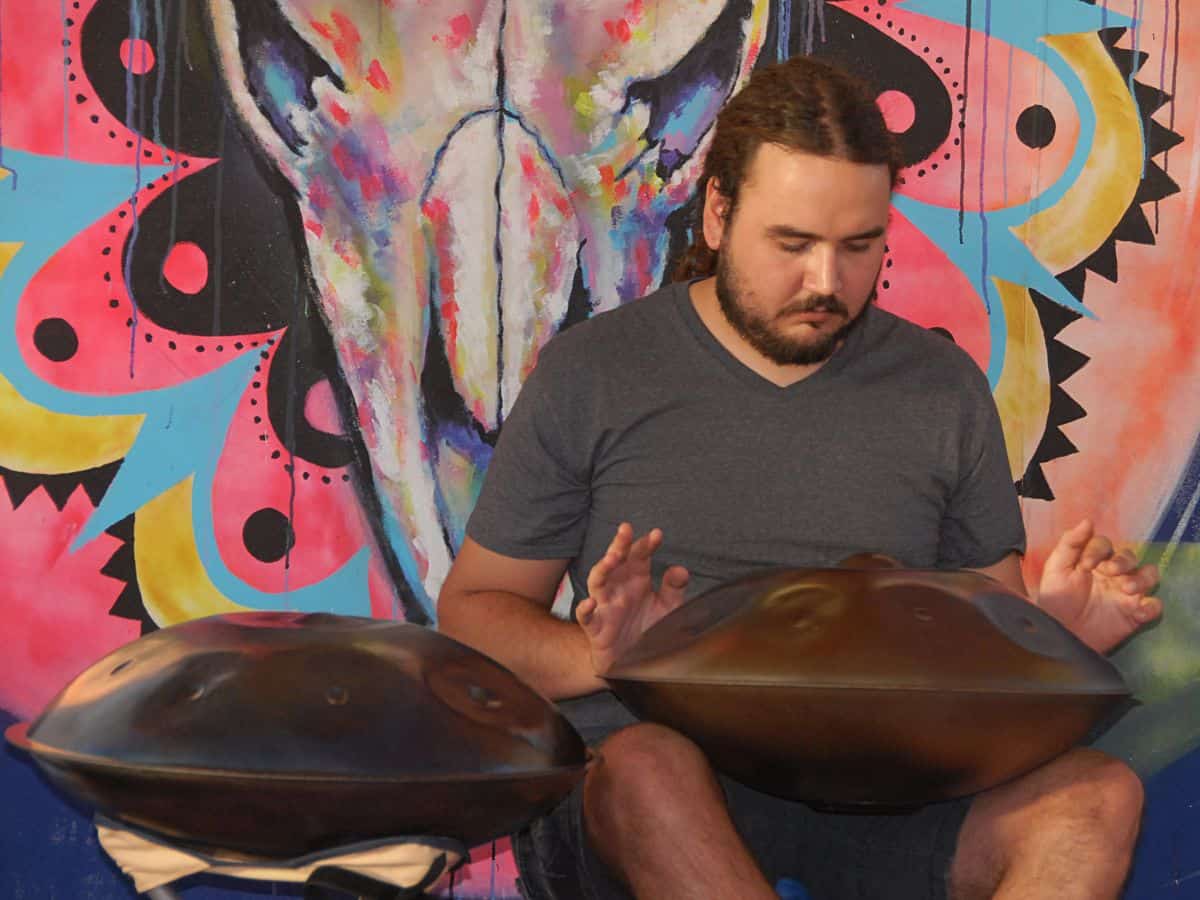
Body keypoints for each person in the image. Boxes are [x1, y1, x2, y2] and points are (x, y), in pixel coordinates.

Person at [437, 55, 1162, 900]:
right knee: (648, 766)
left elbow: (980, 654)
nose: (827, 282)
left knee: (1098, 797)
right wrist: (602, 657)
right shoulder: (595, 372)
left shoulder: (941, 388)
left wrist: (1054, 643)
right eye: (793, 244)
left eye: (859, 247)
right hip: (656, 783)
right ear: (718, 214)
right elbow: (473, 614)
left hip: (888, 793)